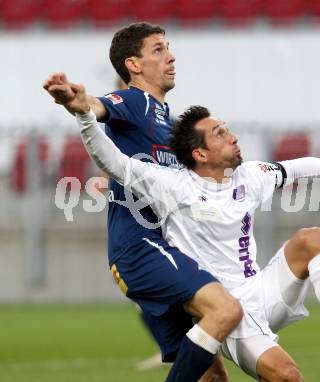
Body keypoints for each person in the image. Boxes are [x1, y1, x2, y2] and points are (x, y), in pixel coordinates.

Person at [67, 81, 320, 382]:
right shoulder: (172, 185)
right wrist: (85, 116)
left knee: (311, 239)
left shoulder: (249, 175)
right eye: (220, 134)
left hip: (261, 289)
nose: (233, 137)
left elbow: (296, 168)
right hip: (227, 312)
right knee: (288, 376)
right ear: (200, 154)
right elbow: (116, 163)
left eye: (227, 130)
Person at [43, 22, 243, 382]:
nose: (171, 56)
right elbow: (98, 105)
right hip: (140, 249)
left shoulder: (166, 118)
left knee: (211, 375)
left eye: (168, 47)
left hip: (162, 248)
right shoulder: (136, 101)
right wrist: (77, 103)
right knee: (225, 310)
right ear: (134, 65)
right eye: (159, 50)